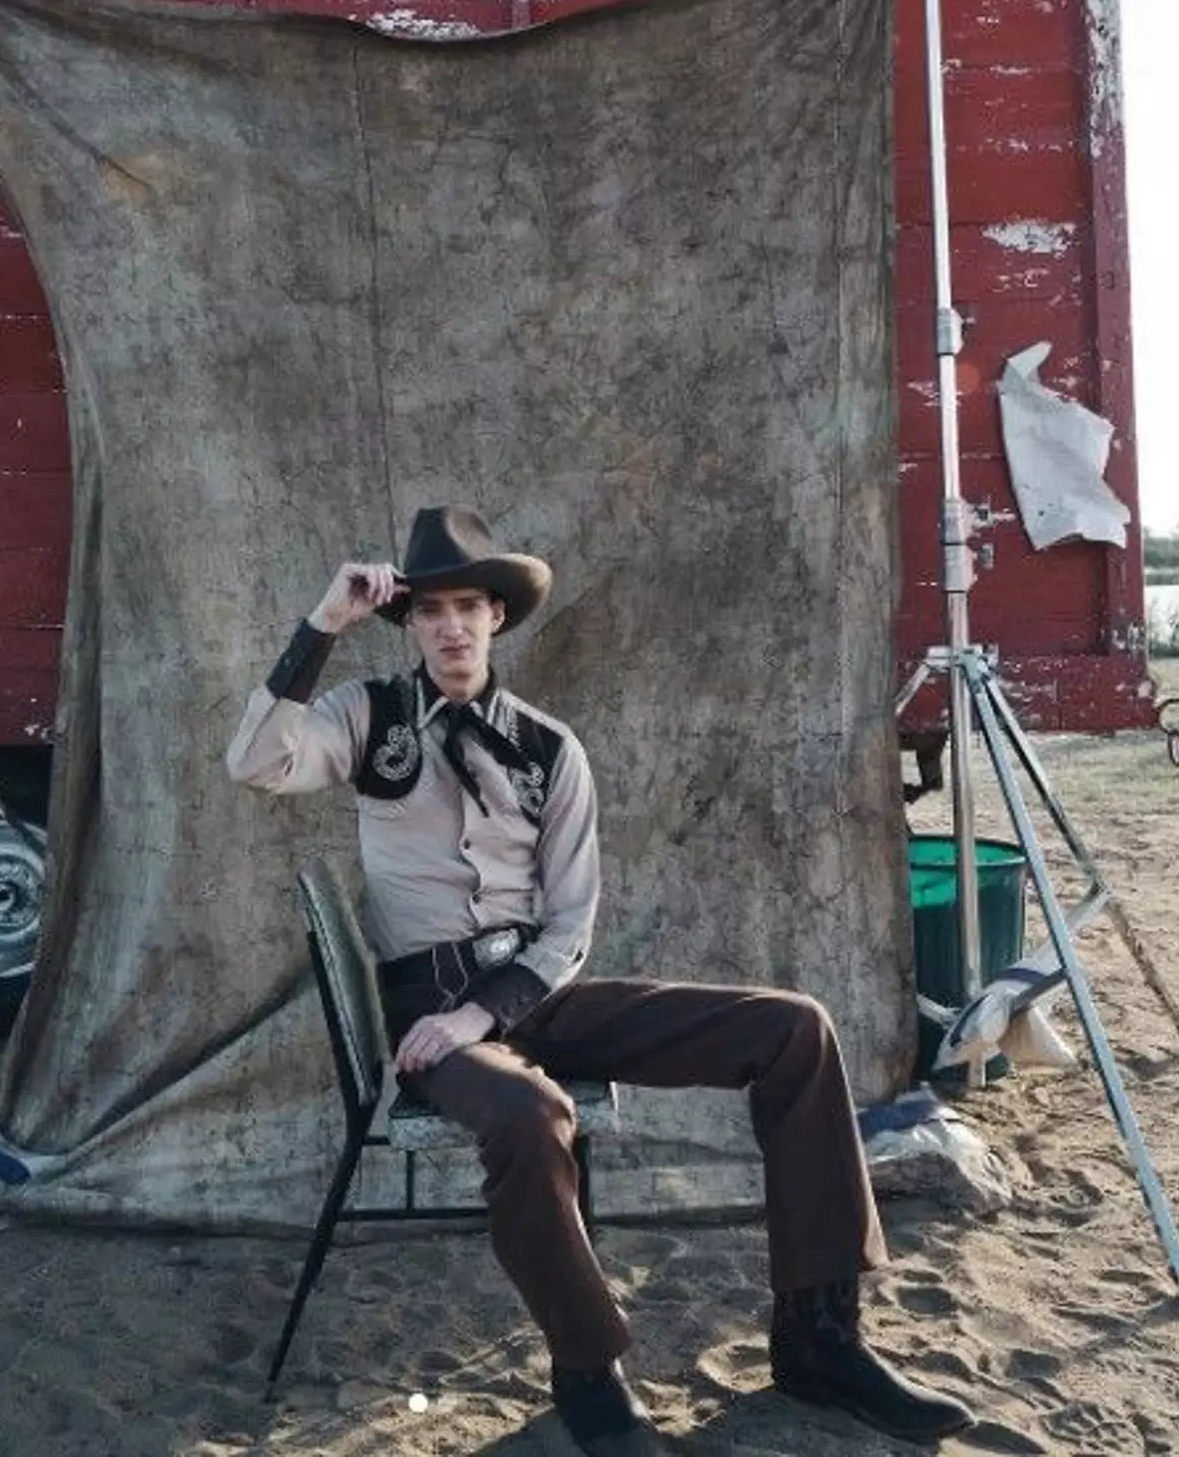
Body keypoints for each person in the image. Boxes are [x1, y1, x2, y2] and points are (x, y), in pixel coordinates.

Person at [226, 505, 974, 1455]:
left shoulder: (550, 749)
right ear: (409, 622)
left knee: (795, 1029)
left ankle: (821, 1338)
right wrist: (321, 625)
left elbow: (570, 922)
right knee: (531, 1118)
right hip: (428, 1023)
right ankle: (588, 1372)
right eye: (431, 610)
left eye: (470, 606)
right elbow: (254, 763)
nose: (451, 626)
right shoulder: (366, 720)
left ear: (498, 616)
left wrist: (486, 1013)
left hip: (539, 995)